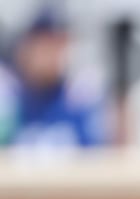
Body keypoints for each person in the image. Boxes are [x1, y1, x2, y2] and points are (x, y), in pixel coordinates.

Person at [1, 9, 106, 151]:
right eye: (42, 46)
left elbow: (98, 157)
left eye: (56, 46)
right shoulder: (11, 105)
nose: (49, 55)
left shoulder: (77, 102)